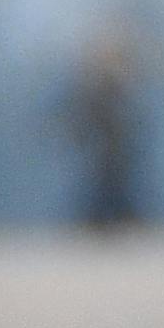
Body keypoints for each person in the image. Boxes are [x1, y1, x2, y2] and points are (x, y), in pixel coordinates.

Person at [62, 25, 149, 234]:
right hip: (105, 154)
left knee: (113, 189)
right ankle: (105, 220)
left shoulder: (117, 88)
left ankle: (116, 219)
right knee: (105, 190)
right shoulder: (96, 91)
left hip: (115, 155)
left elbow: (129, 123)